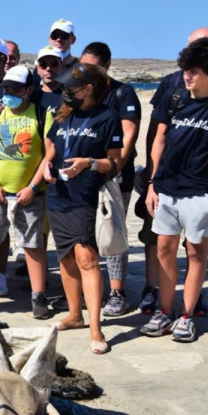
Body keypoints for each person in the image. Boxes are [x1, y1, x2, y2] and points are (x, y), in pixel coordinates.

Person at [141, 37, 208, 343]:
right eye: (185, 69)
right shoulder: (174, 98)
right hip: (166, 189)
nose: (187, 75)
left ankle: (186, 316)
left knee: (196, 252)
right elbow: (159, 140)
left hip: (200, 193)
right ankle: (165, 312)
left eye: (195, 71)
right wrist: (151, 183)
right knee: (164, 250)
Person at [40, 62, 122, 355]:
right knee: (66, 258)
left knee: (87, 258)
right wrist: (46, 165)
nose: (65, 92)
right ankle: (75, 315)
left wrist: (88, 163)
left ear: (88, 89)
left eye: (70, 88)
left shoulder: (107, 117)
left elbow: (115, 162)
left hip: (86, 196)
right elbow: (50, 146)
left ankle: (96, 328)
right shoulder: (63, 113)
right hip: (58, 193)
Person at [0, 65, 52, 317]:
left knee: (33, 245)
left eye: (15, 88)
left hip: (29, 194)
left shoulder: (41, 115)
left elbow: (49, 153)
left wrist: (33, 186)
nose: (9, 92)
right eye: (6, 88)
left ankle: (38, 297)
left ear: (28, 90)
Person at [79, 42, 142, 317]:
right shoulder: (79, 91)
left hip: (113, 176)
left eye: (93, 67)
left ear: (107, 65)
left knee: (113, 232)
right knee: (85, 235)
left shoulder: (122, 93)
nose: (87, 72)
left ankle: (117, 292)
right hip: (82, 175)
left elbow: (128, 136)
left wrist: (113, 169)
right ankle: (90, 291)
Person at [31, 46, 66, 114]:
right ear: (38, 69)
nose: (48, 68)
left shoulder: (70, 97)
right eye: (43, 65)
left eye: (54, 64)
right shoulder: (30, 98)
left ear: (63, 66)